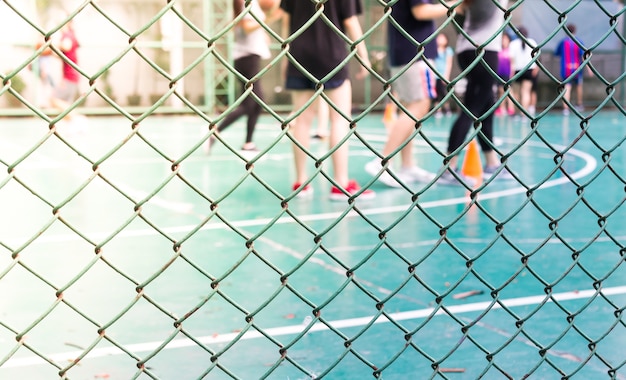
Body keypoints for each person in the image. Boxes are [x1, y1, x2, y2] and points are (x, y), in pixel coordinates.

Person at [278, 0, 374, 201]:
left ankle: (300, 182)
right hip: (332, 54)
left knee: (302, 120)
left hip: (299, 55)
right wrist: (364, 56)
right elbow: (351, 21)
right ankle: (340, 183)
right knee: (339, 119)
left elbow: (286, 21)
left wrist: (285, 58)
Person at [365, 0, 463, 188]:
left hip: (404, 54)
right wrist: (454, 5)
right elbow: (421, 11)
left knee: (410, 108)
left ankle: (407, 165)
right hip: (415, 54)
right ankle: (383, 161)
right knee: (419, 105)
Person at [437, 0, 510, 185]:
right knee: (472, 110)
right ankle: (449, 167)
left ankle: (491, 163)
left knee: (485, 108)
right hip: (485, 51)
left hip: (467, 50)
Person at [208, 0, 276, 153]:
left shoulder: (251, 3)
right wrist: (263, 21)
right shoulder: (247, 3)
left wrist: (263, 33)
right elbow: (246, 27)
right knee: (253, 102)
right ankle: (215, 131)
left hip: (249, 57)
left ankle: (248, 142)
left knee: (255, 103)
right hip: (247, 58)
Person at [554, 23, 590, 115]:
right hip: (577, 68)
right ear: (575, 31)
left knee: (567, 87)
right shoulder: (579, 41)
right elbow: (583, 56)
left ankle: (565, 109)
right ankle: (579, 104)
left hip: (566, 68)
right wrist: (589, 69)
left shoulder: (562, 42)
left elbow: (556, 53)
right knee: (579, 85)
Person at [508, 26, 539, 117]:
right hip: (529, 70)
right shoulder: (532, 42)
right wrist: (535, 68)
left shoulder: (513, 44)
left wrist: (511, 73)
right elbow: (537, 58)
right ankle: (524, 113)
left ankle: (517, 112)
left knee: (516, 92)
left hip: (517, 71)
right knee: (526, 92)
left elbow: (512, 62)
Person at [433, 33, 454, 117]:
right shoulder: (434, 49)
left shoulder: (448, 50)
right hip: (435, 75)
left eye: (442, 38)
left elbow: (449, 64)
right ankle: (438, 110)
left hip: (443, 74)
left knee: (443, 92)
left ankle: (446, 108)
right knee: (436, 93)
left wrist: (446, 76)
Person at [495, 32, 515, 116]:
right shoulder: (499, 50)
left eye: (505, 40)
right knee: (500, 91)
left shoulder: (510, 51)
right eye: (502, 39)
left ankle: (511, 108)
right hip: (499, 74)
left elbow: (512, 64)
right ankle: (502, 108)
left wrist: (512, 75)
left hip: (507, 74)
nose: (504, 41)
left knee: (509, 91)